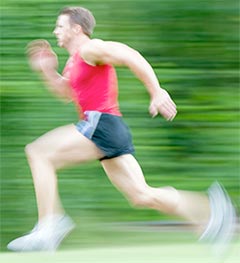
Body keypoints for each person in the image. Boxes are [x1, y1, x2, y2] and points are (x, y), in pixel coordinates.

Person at [7, 6, 236, 252]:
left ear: (77, 28)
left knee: (39, 152)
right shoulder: (74, 63)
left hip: (100, 124)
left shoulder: (90, 49)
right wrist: (47, 70)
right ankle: (213, 213)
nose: (55, 31)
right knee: (142, 195)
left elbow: (129, 54)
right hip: (108, 129)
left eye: (60, 26)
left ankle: (50, 224)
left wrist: (156, 91)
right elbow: (66, 94)